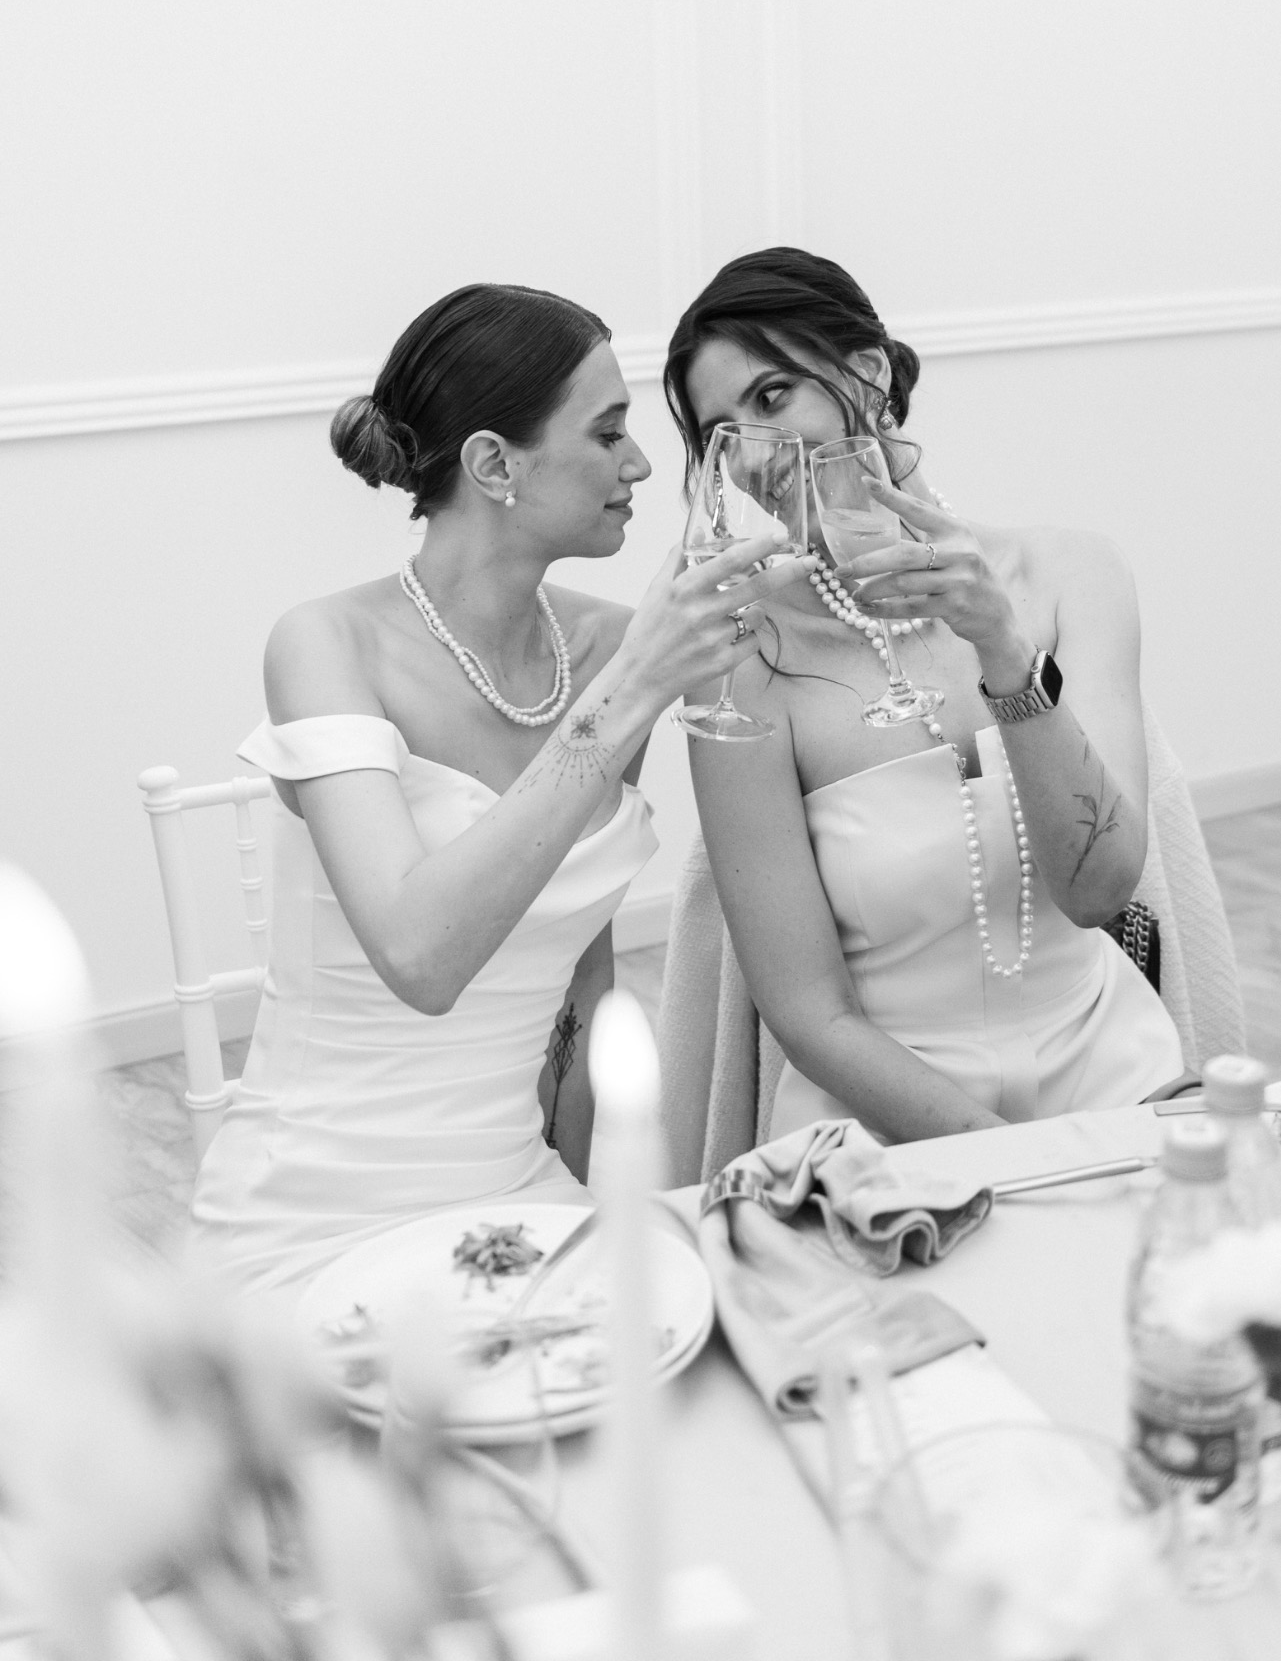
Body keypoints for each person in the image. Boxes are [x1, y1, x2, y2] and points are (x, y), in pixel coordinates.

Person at [189, 282, 813, 1295]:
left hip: (520, 1193)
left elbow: (581, 985)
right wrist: (635, 688)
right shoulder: (326, 645)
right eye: (607, 432)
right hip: (313, 1211)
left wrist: (588, 1216)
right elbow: (421, 956)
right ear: (494, 464)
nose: (640, 463)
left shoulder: (609, 647)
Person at [662, 247, 1186, 1146]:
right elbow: (809, 1016)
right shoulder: (743, 660)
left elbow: (1099, 892)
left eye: (772, 397)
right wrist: (1007, 1162)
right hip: (885, 1131)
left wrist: (1004, 651)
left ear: (867, 372)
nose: (750, 457)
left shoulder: (1069, 575)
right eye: (721, 432)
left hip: (1116, 1083)